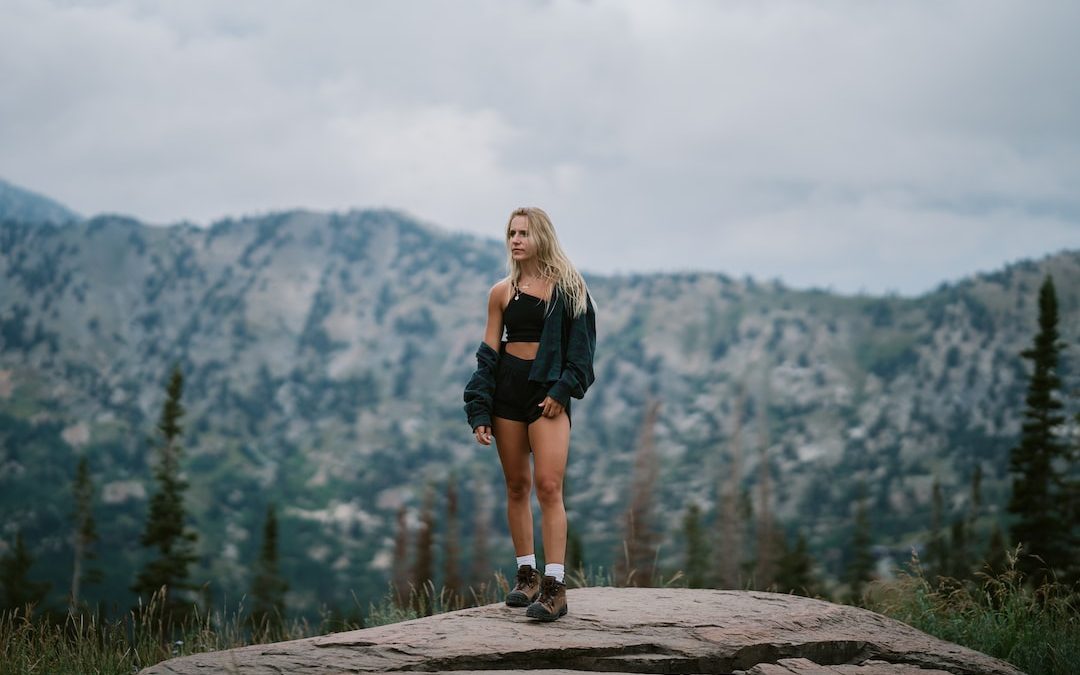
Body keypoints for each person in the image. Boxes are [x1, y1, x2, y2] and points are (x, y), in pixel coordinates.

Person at [463, 207, 596, 622]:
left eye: (524, 233)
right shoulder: (501, 292)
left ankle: (555, 587)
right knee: (517, 486)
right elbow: (488, 355)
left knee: (549, 486)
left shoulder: (570, 288)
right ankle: (527, 575)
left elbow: (583, 352)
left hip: (547, 394)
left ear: (541, 237)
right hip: (508, 390)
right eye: (511, 233)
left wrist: (561, 389)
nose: (516, 240)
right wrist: (480, 407)